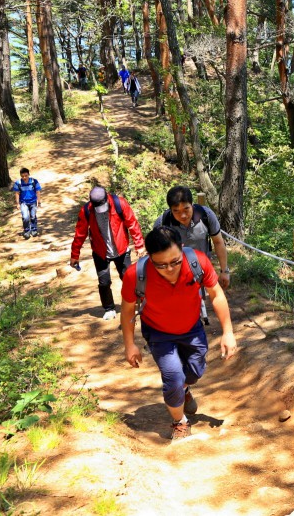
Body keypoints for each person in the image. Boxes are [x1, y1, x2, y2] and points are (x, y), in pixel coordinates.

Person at [121, 226, 237, 442]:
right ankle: (180, 421)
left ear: (182, 249)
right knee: (173, 375)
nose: (170, 269)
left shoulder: (198, 262)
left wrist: (228, 332)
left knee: (195, 369)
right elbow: (128, 309)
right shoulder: (135, 275)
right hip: (158, 332)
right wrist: (130, 344)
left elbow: (216, 294)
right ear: (150, 258)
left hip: (192, 328)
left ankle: (183, 389)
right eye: (161, 265)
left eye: (175, 261)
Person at [70, 186, 145, 320]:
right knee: (104, 282)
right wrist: (75, 255)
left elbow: (132, 224)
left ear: (107, 197)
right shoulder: (87, 210)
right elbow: (80, 233)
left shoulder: (119, 204)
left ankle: (138, 303)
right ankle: (109, 308)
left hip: (121, 249)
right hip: (100, 252)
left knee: (129, 279)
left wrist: (139, 245)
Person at [153, 186, 230, 290]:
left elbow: (218, 242)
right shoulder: (163, 223)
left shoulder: (206, 215)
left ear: (192, 205)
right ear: (170, 210)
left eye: (186, 209)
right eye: (176, 211)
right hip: (174, 277)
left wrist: (224, 271)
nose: (183, 215)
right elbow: (156, 253)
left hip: (201, 273)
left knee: (199, 303)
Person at [11, 167, 41, 239]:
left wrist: (38, 202)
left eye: (26, 175)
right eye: (22, 176)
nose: (24, 177)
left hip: (33, 202)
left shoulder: (34, 181)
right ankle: (27, 231)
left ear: (28, 174)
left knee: (33, 216)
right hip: (23, 203)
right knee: (25, 217)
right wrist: (17, 203)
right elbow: (17, 193)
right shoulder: (18, 183)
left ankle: (34, 229)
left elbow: (38, 192)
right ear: (21, 176)